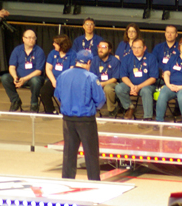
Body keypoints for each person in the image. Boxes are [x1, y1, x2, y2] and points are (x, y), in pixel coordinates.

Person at [54, 50, 105, 180]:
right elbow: (100, 100)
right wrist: (93, 108)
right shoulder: (91, 77)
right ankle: (94, 181)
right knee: (91, 153)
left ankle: (67, 179)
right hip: (86, 119)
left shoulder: (63, 75)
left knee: (69, 152)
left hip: (67, 119)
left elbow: (57, 95)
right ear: (89, 62)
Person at [1, 30, 45, 112]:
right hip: (19, 77)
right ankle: (15, 100)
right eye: (28, 38)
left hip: (33, 78)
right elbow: (12, 67)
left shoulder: (39, 51)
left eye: (33, 38)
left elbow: (39, 71)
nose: (31, 40)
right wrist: (15, 77)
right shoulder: (17, 50)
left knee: (36, 81)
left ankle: (34, 103)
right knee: (5, 78)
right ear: (23, 39)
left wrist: (24, 79)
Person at [116, 38, 158, 120]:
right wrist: (132, 86)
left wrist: (138, 87)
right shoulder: (126, 58)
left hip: (147, 85)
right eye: (134, 47)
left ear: (144, 48)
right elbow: (123, 76)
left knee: (146, 91)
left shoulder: (151, 58)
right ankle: (130, 107)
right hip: (130, 85)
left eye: (139, 47)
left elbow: (153, 78)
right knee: (119, 88)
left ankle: (147, 118)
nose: (136, 50)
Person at [40, 34, 76, 114]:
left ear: (62, 44)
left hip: (67, 80)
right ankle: (51, 111)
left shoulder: (72, 54)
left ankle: (67, 111)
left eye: (55, 43)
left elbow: (72, 70)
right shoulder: (53, 53)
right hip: (54, 79)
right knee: (44, 91)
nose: (53, 44)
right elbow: (48, 69)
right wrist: (53, 81)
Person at [90, 40, 121, 117]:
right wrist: (97, 84)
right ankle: (91, 109)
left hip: (111, 83)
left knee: (107, 88)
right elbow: (92, 76)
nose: (100, 49)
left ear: (109, 50)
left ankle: (112, 110)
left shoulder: (114, 61)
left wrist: (102, 84)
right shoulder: (94, 60)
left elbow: (115, 78)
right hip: (97, 82)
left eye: (103, 47)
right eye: (99, 47)